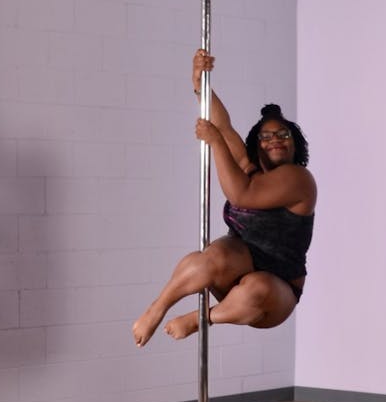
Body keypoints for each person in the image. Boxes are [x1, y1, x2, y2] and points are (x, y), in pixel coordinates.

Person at [131, 49, 316, 346]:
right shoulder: (250, 168)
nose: (275, 140)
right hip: (235, 265)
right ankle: (158, 306)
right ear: (257, 145)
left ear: (295, 144)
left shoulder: (299, 179)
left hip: (275, 291)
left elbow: (241, 194)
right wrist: (199, 83)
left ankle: (201, 317)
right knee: (212, 256)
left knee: (256, 287)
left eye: (284, 134)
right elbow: (223, 126)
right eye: (266, 136)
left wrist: (215, 143)